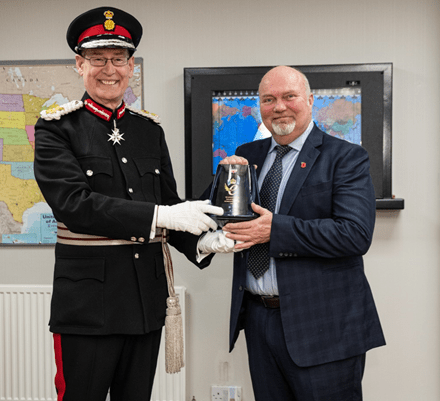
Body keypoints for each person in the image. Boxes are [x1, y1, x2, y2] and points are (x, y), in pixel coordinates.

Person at [33, 7, 231, 401]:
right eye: (98, 58)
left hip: (145, 301)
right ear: (79, 64)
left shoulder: (148, 130)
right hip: (88, 307)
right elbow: (74, 204)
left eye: (119, 58)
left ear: (131, 66)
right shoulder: (56, 128)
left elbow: (168, 203)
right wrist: (163, 215)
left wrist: (200, 243)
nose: (110, 69)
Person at [218, 65, 386, 401]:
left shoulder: (346, 157)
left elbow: (354, 234)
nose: (278, 106)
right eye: (268, 99)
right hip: (258, 319)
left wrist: (274, 230)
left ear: (309, 100)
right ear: (259, 106)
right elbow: (222, 217)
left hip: (324, 326)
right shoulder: (245, 157)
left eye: (288, 96)